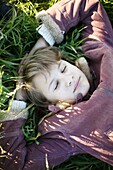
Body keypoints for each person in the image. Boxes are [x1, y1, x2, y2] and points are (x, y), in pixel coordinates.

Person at [1, 0, 113, 169]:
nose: (68, 79)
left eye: (63, 68)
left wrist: (45, 40)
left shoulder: (99, 52)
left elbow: (87, 4)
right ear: (51, 104)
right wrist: (18, 102)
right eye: (55, 85)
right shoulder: (65, 129)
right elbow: (16, 163)